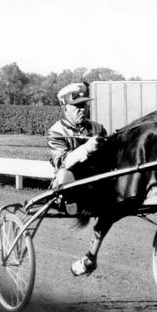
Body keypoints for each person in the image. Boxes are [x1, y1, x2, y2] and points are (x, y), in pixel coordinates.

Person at [47, 82, 107, 276]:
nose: (83, 109)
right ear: (65, 107)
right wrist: (87, 148)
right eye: (77, 106)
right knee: (66, 175)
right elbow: (62, 162)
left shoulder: (98, 128)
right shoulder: (56, 131)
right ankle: (75, 203)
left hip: (96, 183)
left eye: (85, 105)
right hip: (68, 184)